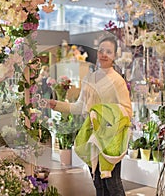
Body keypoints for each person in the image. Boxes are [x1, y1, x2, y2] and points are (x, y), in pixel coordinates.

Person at [48, 36, 132, 196]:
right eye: (101, 51)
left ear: (115, 55)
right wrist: (57, 105)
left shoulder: (117, 81)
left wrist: (100, 113)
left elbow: (127, 110)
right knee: (98, 184)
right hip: (92, 136)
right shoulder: (89, 79)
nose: (104, 54)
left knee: (112, 184)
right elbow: (80, 107)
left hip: (111, 138)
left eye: (109, 51)